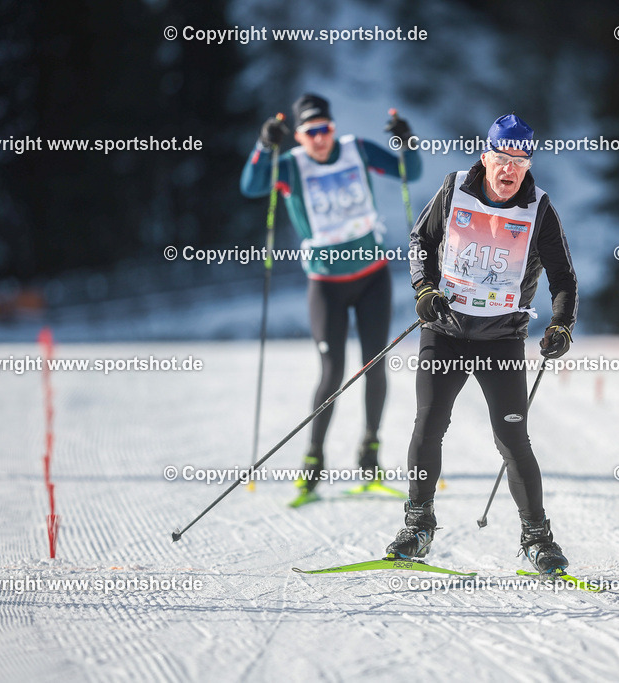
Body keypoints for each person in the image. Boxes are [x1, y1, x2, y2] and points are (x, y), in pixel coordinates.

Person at [385, 114, 579, 575]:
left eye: (521, 160)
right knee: (428, 428)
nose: (511, 169)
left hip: (502, 339)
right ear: (485, 156)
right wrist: (424, 290)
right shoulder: (454, 189)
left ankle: (537, 537)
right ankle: (418, 524)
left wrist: (562, 325)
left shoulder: (541, 210)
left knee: (513, 438)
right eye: (503, 158)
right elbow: (420, 241)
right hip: (445, 331)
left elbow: (564, 277)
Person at [240, 93, 421, 499]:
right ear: (300, 137)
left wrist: (407, 140)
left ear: (333, 129)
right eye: (310, 132)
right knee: (331, 372)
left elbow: (410, 171)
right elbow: (251, 185)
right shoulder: (290, 165)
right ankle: (313, 460)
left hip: (372, 277)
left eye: (324, 129)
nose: (319, 138)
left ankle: (369, 454)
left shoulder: (356, 150)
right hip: (326, 285)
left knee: (375, 366)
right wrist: (264, 145)